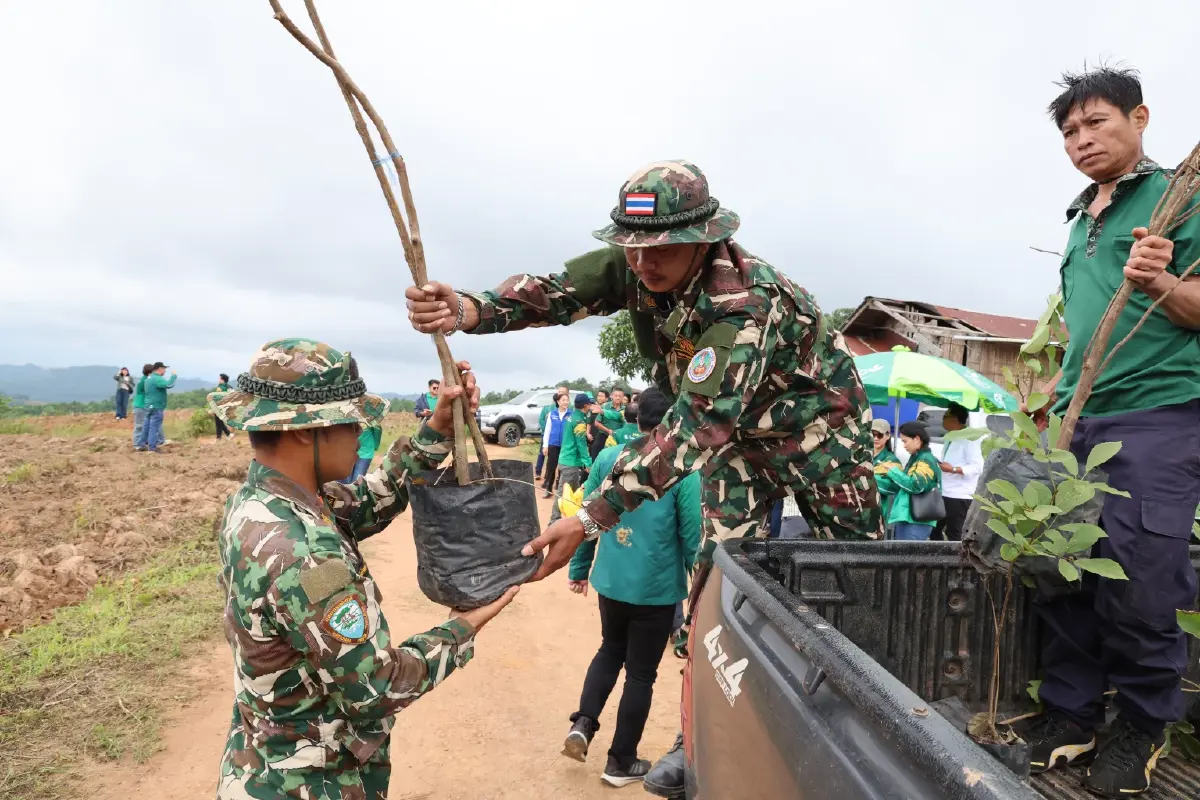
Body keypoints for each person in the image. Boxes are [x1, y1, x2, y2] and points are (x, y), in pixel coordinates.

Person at [405, 160, 880, 797]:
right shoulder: (638, 265)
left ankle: (874, 736)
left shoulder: (743, 305)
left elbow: (690, 432)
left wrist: (590, 517)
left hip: (822, 436)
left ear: (703, 237)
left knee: (864, 575)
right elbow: (558, 292)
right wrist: (469, 309)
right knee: (714, 584)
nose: (641, 263)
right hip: (739, 444)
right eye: (631, 247)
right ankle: (699, 733)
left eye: (658, 248)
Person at [209, 338, 518, 800]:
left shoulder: (260, 503)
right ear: (301, 430)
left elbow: (372, 497)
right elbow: (375, 688)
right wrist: (462, 627)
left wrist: (436, 426)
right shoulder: (307, 554)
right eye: (351, 421)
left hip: (263, 765)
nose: (360, 434)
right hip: (312, 782)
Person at [1008, 66, 1200, 796]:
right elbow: (1086, 323)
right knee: (1061, 567)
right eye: (1069, 132)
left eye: (1097, 123)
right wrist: (1056, 392)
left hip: (1160, 411)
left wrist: (1162, 283)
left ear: (1139, 118)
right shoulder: (1081, 216)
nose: (1082, 140)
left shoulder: (1179, 198)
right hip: (1078, 417)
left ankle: (1144, 724)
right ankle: (1071, 713)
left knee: (1140, 571)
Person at [561, 388, 701, 788]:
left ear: (636, 420)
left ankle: (583, 724)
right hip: (655, 588)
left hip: (612, 579)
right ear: (669, 425)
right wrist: (700, 594)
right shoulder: (681, 469)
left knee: (609, 650)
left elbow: (587, 516)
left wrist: (579, 568)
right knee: (640, 675)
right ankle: (620, 761)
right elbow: (692, 537)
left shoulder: (608, 456)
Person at [879, 422, 941, 542]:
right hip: (908, 517)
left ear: (917, 439)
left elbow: (916, 486)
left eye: (905, 441)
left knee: (909, 558)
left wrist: (893, 471)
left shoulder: (926, 459)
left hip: (916, 520)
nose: (904, 445)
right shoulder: (917, 457)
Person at [936, 403, 982, 541]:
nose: (942, 420)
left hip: (960, 495)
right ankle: (937, 561)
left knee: (955, 535)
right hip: (945, 492)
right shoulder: (950, 437)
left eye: (945, 416)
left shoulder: (971, 438)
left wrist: (954, 469)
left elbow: (977, 467)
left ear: (955, 419)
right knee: (934, 531)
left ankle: (957, 562)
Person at [548, 393, 595, 524]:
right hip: (571, 463)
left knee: (575, 493)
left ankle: (576, 520)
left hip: (566, 459)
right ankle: (554, 521)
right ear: (586, 405)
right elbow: (581, 444)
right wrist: (588, 463)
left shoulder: (571, 417)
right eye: (589, 404)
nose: (590, 406)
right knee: (563, 493)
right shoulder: (579, 422)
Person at [135, 362, 176, 453]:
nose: (165, 371)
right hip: (156, 406)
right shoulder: (157, 378)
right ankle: (152, 447)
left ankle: (141, 444)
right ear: (159, 369)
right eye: (164, 369)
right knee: (154, 427)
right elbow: (169, 385)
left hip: (148, 405)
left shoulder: (148, 378)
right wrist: (174, 376)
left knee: (146, 426)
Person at [870, 418, 903, 528]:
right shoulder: (861, 455)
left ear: (888, 436)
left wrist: (869, 478)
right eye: (872, 434)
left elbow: (894, 487)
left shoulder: (892, 461)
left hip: (876, 513)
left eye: (879, 435)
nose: (875, 438)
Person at [541, 392, 572, 499]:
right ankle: (548, 489)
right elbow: (547, 430)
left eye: (567, 400)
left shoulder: (571, 414)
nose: (565, 402)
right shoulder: (552, 414)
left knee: (563, 468)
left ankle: (561, 491)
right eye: (563, 400)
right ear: (558, 402)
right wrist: (545, 445)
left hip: (566, 446)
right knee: (551, 467)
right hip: (553, 444)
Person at [536, 387, 568, 482]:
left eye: (562, 393)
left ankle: (558, 482)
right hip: (551, 440)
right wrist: (545, 431)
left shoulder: (570, 412)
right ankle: (545, 481)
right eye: (559, 392)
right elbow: (543, 421)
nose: (560, 393)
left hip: (564, 443)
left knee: (561, 463)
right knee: (548, 460)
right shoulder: (549, 410)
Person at [131, 364, 151, 449]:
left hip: (142, 405)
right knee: (139, 425)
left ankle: (143, 442)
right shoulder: (145, 381)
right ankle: (137, 445)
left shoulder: (144, 379)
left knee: (144, 425)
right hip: (140, 405)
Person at [588, 389, 612, 461]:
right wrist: (588, 433)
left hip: (602, 435)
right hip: (592, 436)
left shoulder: (608, 409)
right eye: (598, 396)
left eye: (601, 396)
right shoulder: (592, 408)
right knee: (592, 453)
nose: (599, 398)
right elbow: (589, 422)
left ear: (607, 398)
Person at [214, 374, 235, 441]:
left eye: (220, 379)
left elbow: (217, 398)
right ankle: (219, 437)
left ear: (222, 379)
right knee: (218, 421)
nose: (219, 380)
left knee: (219, 422)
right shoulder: (229, 387)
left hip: (220, 406)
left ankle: (228, 434)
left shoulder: (220, 387)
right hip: (226, 406)